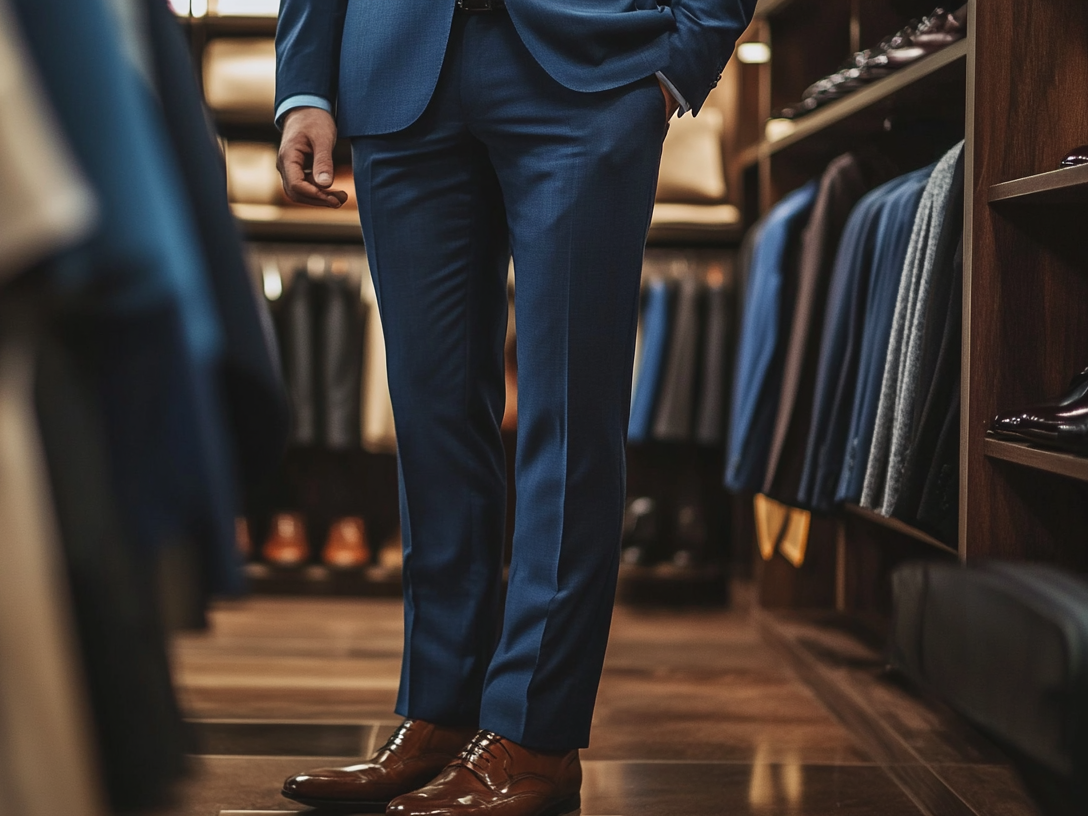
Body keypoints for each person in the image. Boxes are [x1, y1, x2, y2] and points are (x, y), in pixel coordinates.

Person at [273, 1, 755, 813]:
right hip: (398, 71)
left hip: (590, 68)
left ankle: (535, 734)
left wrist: (681, 58)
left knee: (570, 419)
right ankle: (441, 709)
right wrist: (305, 84)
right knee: (429, 418)